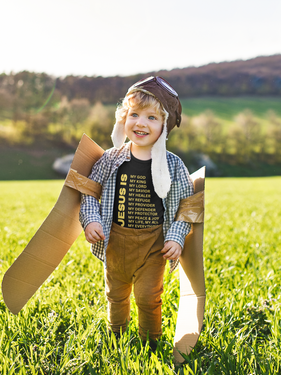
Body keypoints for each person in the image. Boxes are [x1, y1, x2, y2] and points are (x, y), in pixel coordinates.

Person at [79, 76, 194, 348]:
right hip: (115, 241)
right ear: (123, 118)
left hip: (153, 245)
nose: (141, 123)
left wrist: (176, 238)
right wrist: (91, 220)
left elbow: (185, 207)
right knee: (116, 294)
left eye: (152, 117)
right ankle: (116, 338)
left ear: (164, 126)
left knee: (148, 297)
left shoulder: (173, 165)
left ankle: (150, 343)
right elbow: (89, 193)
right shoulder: (111, 158)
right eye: (135, 114)